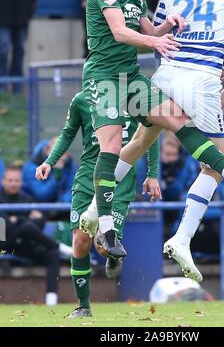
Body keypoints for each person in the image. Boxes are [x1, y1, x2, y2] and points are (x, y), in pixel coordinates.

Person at [77, 0, 224, 282]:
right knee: (114, 145)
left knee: (154, 134)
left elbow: (153, 33)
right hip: (107, 76)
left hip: (143, 75)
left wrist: (167, 27)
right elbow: (123, 33)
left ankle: (93, 211)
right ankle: (137, 228)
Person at [35, 91, 160, 318]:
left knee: (102, 243)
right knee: (80, 240)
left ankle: (111, 253)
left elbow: (150, 133)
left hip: (119, 178)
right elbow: (67, 133)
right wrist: (49, 161)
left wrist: (152, 174)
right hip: (87, 177)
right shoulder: (82, 100)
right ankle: (83, 306)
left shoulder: (133, 95)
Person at [0, 166, 60, 306]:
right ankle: (59, 245)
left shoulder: (26, 198)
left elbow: (40, 221)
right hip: (5, 245)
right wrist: (25, 219)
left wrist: (18, 220)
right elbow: (5, 227)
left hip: (26, 244)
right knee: (27, 227)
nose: (13, 183)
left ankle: (52, 300)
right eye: (10, 180)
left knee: (53, 253)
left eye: (16, 180)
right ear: (3, 181)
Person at [23, 137, 76, 203]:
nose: (60, 156)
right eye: (56, 152)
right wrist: (56, 175)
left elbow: (71, 189)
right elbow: (42, 195)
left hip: (62, 208)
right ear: (47, 149)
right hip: (35, 207)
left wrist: (63, 204)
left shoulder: (68, 164)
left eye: (63, 152)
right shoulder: (31, 167)